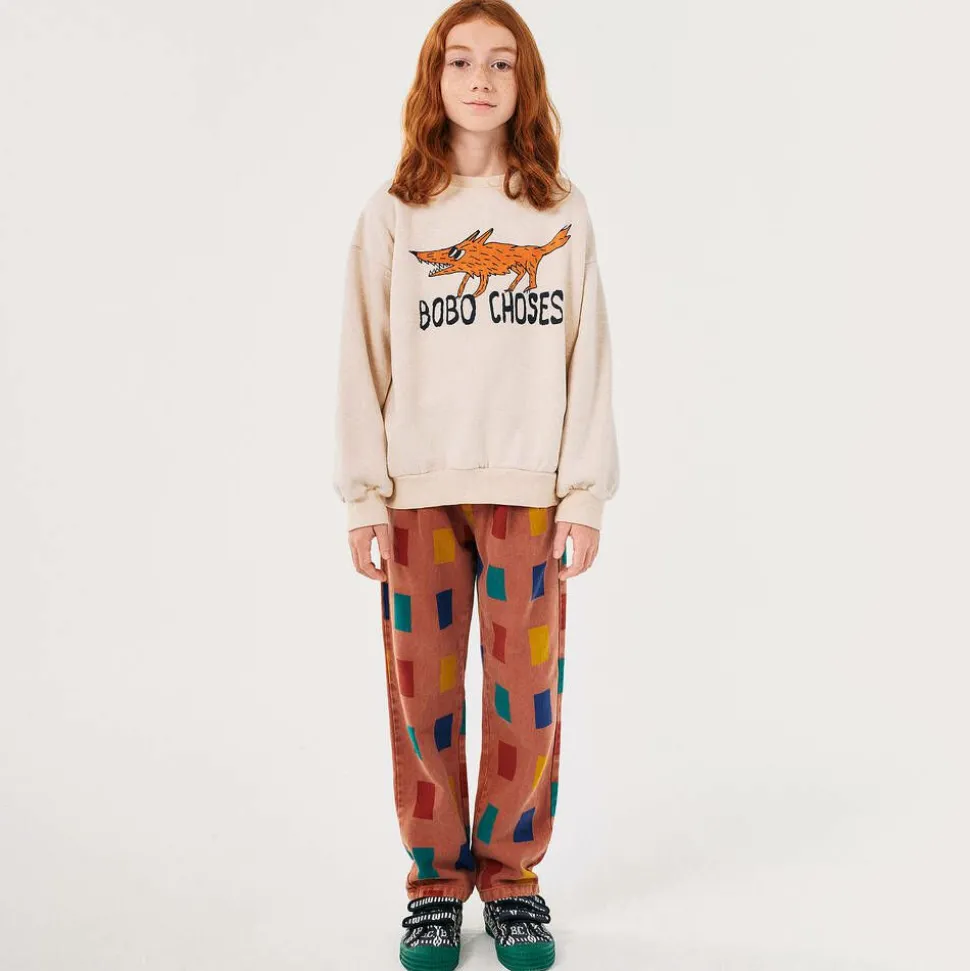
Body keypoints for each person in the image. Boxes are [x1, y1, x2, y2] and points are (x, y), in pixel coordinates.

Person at [332, 2, 619, 968]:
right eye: (461, 61)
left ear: (524, 80)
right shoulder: (394, 213)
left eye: (501, 61)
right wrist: (363, 494)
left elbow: (589, 356)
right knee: (423, 693)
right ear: (435, 79)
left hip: (529, 489)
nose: (482, 79)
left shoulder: (560, 210)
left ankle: (512, 878)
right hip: (415, 491)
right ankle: (433, 883)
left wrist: (583, 492)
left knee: (524, 689)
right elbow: (362, 357)